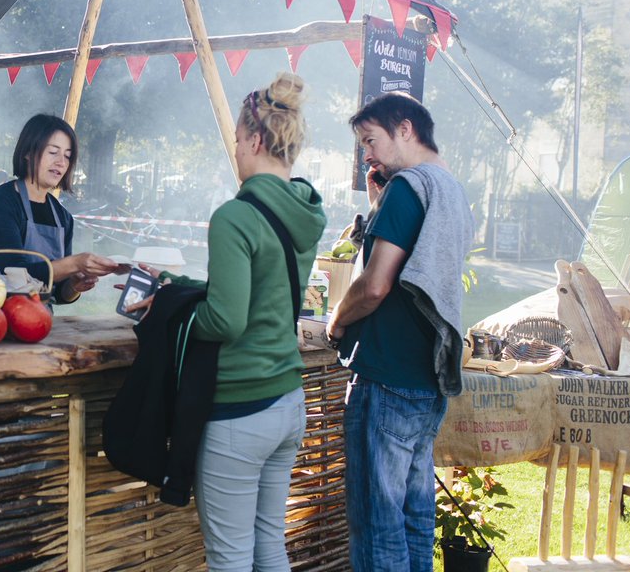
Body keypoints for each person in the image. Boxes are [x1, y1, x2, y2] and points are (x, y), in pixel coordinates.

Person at [126, 71, 326, 571]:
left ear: (256, 139)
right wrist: (174, 281)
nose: (235, 151)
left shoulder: (235, 216)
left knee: (231, 558)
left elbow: (226, 320)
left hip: (241, 409)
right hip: (287, 401)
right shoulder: (302, 210)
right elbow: (260, 290)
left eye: (237, 140)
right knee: (268, 545)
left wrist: (167, 311)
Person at [325, 93, 471, 572]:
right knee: (414, 522)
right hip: (426, 380)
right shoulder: (448, 189)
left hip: (386, 377)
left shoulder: (408, 188)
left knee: (378, 526)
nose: (366, 153)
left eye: (370, 140)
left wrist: (337, 319)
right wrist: (378, 206)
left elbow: (375, 285)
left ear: (404, 129)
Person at [0, 114, 120, 302]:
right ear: (28, 152)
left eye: (67, 155)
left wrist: (73, 285)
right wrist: (74, 263)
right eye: (53, 152)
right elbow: (16, 275)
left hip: (36, 321)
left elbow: (57, 293)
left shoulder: (62, 216)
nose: (61, 162)